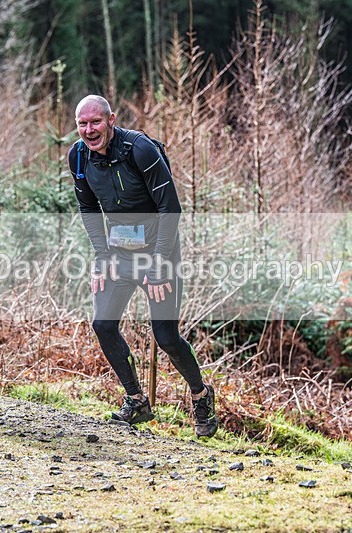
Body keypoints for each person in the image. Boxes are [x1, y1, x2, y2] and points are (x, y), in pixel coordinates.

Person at [67, 95, 218, 437]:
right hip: (119, 254)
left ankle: (201, 395)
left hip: (158, 250)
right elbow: (89, 209)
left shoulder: (140, 150)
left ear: (111, 120)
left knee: (166, 337)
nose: (89, 130)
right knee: (103, 324)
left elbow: (171, 209)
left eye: (95, 122)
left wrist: (160, 263)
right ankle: (137, 401)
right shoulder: (77, 156)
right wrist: (101, 256)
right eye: (82, 124)